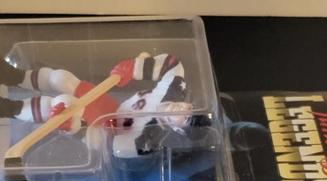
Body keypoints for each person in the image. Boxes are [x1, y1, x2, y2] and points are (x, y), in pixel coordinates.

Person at [0, 53, 192, 158]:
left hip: (101, 126)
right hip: (112, 108)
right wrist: (135, 68)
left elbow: (112, 148)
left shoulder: (148, 139)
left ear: (178, 129)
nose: (182, 110)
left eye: (185, 118)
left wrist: (75, 127)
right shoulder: (173, 92)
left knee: (60, 105)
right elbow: (172, 64)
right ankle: (15, 76)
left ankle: (9, 108)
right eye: (189, 109)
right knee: (62, 79)